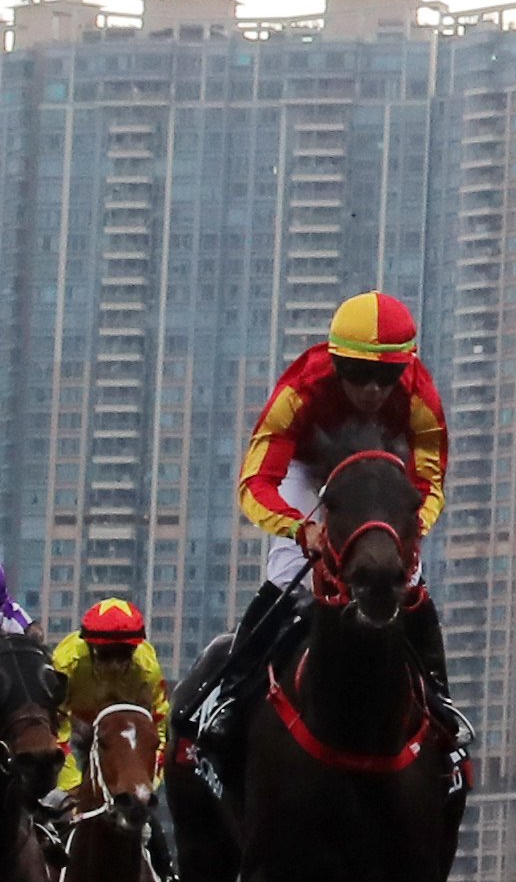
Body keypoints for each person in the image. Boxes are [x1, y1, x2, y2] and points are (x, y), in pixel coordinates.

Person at [182, 290, 453, 768]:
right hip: (309, 472)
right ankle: (228, 694)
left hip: (381, 481)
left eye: (385, 376)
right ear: (335, 364)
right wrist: (297, 529)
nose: (373, 389)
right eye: (358, 374)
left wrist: (411, 531)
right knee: (288, 576)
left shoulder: (420, 398)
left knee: (406, 579)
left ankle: (442, 703)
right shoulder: (299, 393)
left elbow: (428, 480)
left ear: (403, 370)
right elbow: (256, 480)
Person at [40, 598, 166, 827]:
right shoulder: (66, 663)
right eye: (107, 655)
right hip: (76, 731)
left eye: (124, 655)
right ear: (90, 646)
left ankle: (162, 861)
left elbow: (158, 732)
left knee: (148, 824)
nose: (116, 666)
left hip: (124, 742)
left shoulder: (147, 670)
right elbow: (52, 725)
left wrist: (144, 785)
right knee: (54, 804)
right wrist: (72, 786)